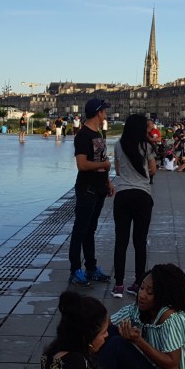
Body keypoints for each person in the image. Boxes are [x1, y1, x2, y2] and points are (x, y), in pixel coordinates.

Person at [69, 98, 114, 287]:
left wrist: (108, 181)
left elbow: (100, 159)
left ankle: (91, 268)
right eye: (104, 111)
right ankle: (75, 270)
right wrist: (105, 165)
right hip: (87, 188)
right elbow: (82, 164)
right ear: (98, 113)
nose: (106, 115)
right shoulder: (83, 135)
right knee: (80, 230)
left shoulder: (98, 134)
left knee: (90, 229)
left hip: (99, 187)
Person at [112, 114, 158, 298]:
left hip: (123, 195)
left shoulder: (118, 145)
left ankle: (118, 285)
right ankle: (138, 283)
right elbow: (153, 169)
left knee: (121, 241)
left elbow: (117, 170)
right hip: (142, 196)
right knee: (140, 242)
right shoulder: (147, 146)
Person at [38, 291, 111, 369]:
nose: (107, 335)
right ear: (88, 337)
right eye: (104, 332)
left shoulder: (55, 351)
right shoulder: (76, 367)